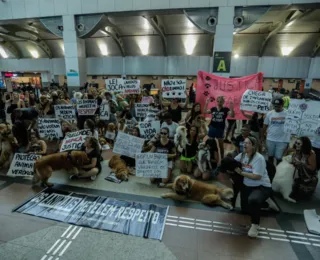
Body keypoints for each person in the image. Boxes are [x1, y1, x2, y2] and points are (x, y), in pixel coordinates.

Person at [234, 136, 272, 238]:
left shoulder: (259, 158)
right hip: (248, 186)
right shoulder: (242, 155)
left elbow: (257, 176)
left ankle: (255, 225)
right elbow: (233, 161)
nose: (244, 145)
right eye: (244, 143)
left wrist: (241, 173)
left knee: (253, 200)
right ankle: (263, 204)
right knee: (245, 209)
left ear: (254, 146)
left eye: (247, 143)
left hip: (262, 186)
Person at [263, 97, 290, 165]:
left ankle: (278, 173)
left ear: (282, 105)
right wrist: (262, 137)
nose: (276, 107)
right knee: (270, 157)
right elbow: (265, 125)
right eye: (275, 106)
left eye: (278, 106)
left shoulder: (288, 113)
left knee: (279, 158)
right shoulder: (269, 113)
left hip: (282, 140)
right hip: (270, 139)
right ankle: (271, 171)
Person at [290, 137, 318, 201]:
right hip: (298, 176)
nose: (296, 144)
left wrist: (302, 163)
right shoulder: (296, 151)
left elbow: (312, 168)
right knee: (291, 194)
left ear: (304, 145)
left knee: (301, 197)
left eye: (299, 143)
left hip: (308, 178)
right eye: (296, 143)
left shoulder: (311, 153)